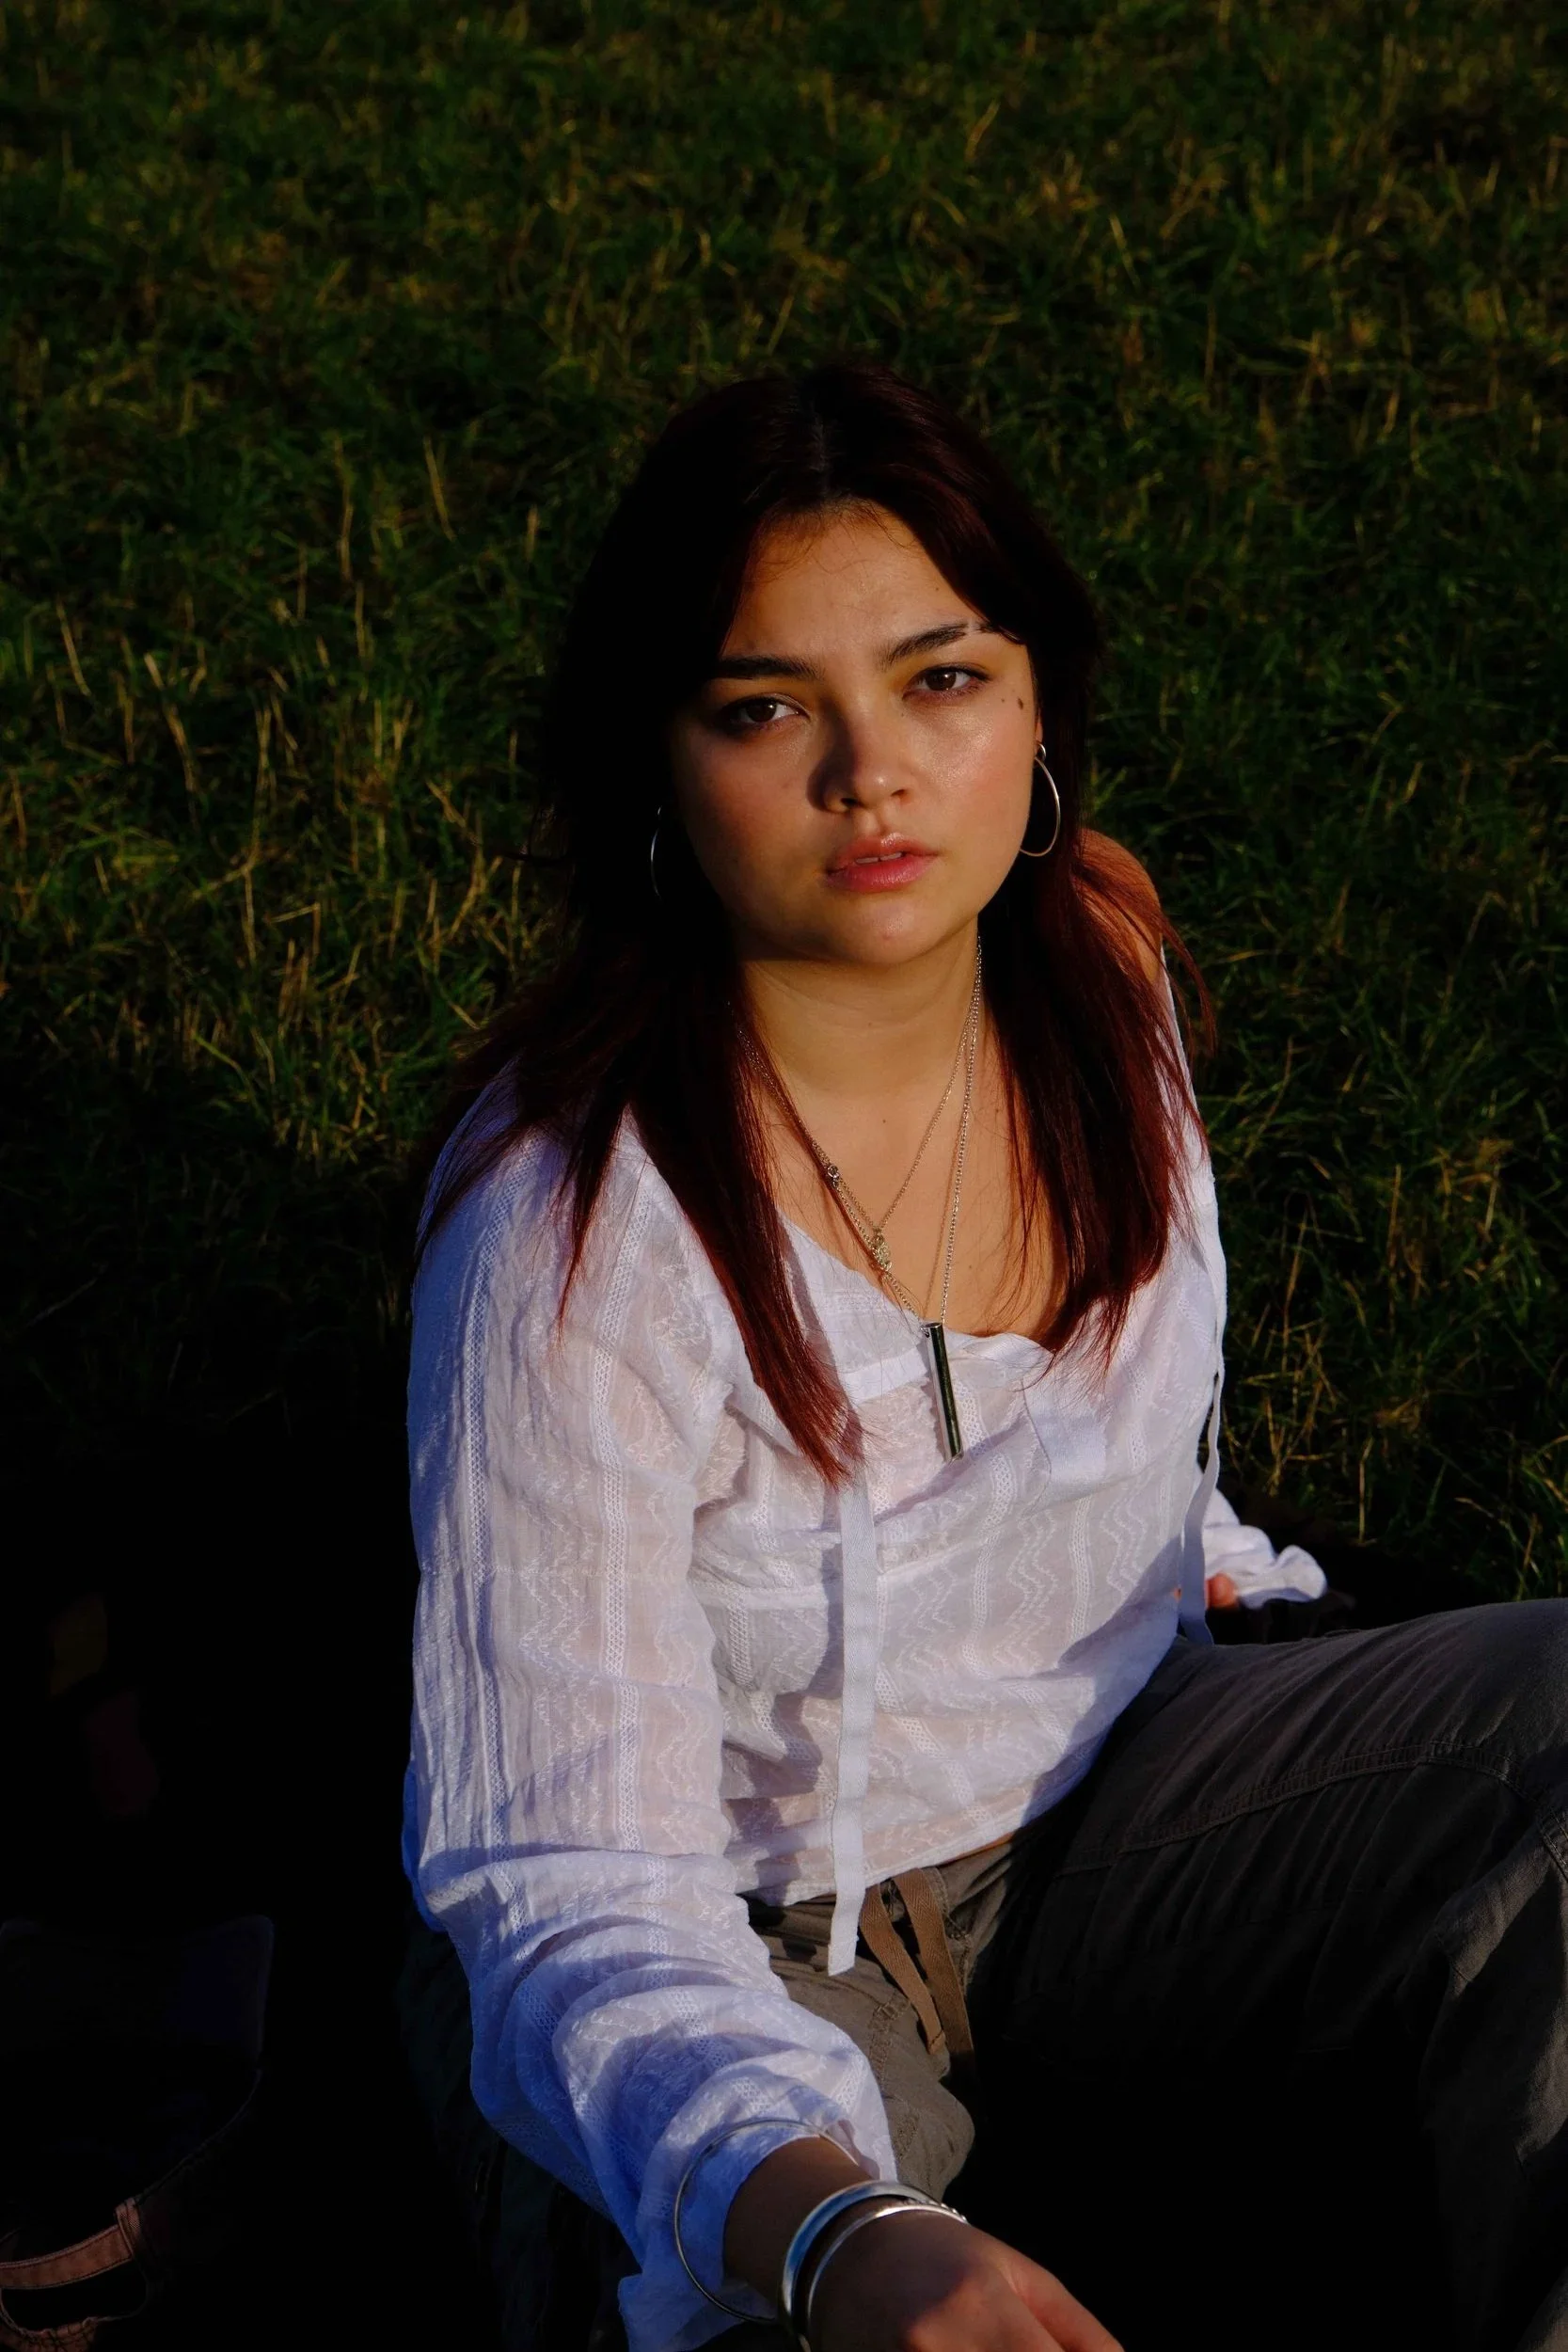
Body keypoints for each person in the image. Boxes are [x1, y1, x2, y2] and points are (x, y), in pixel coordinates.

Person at [400, 362, 1568, 2352]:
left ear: (1036, 709)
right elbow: (568, 1882)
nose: (872, 774)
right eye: (764, 708)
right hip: (745, 1941)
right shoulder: (571, 1230)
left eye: (939, 679)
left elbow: (1144, 1448)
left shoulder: (1097, 968)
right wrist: (835, 2225)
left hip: (1125, 1790)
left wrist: (1241, 1601)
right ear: (659, 766)